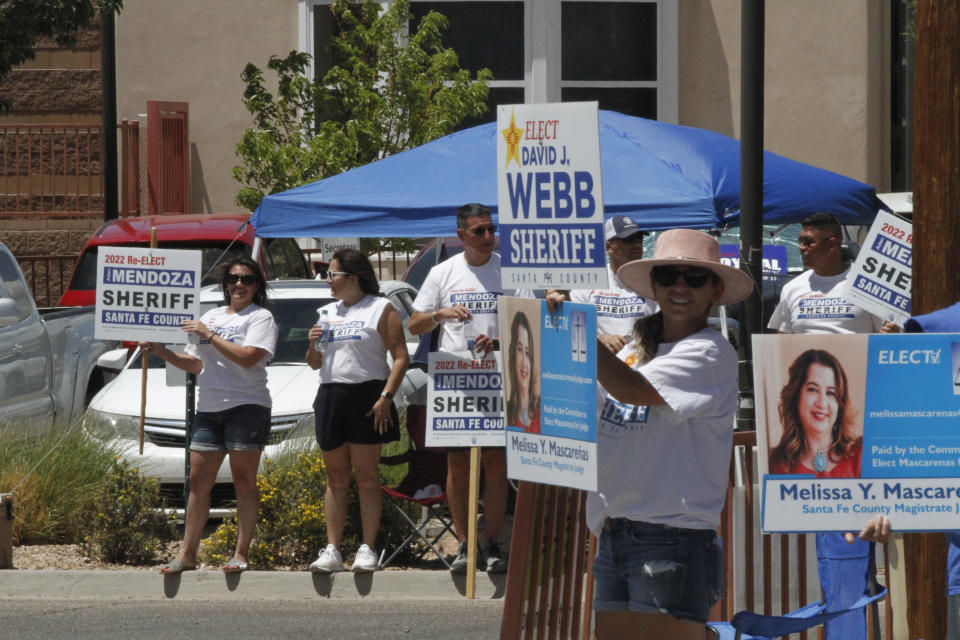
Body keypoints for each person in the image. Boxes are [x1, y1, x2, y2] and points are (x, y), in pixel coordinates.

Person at [579, 228, 754, 639]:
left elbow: (631, 389)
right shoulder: (637, 348)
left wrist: (576, 331)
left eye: (693, 278)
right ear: (654, 285)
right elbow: (596, 400)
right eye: (669, 276)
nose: (680, 286)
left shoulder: (710, 350)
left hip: (670, 533)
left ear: (714, 289)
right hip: (615, 526)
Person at [767, 211, 897, 639]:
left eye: (807, 241)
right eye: (801, 240)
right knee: (832, 525)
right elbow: (777, 345)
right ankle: (846, 617)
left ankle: (852, 620)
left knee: (851, 521)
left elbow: (888, 336)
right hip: (810, 422)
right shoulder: (791, 288)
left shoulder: (864, 285)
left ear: (831, 243)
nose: (800, 247)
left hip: (859, 412)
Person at [408, 202, 531, 574]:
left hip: (498, 375)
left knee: (496, 461)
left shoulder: (508, 271)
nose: (489, 237)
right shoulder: (443, 272)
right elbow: (415, 325)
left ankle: (492, 543)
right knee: (458, 461)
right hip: (454, 380)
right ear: (461, 235)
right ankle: (464, 545)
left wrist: (495, 343)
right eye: (479, 231)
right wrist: (440, 314)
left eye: (491, 229)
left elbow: (526, 323)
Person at [149, 257, 278, 574]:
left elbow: (248, 358)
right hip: (209, 408)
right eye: (234, 278)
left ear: (256, 285)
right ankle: (187, 554)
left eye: (247, 279)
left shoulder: (261, 318)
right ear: (225, 284)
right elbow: (195, 364)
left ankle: (240, 554)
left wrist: (210, 336)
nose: (239, 284)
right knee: (197, 481)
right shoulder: (211, 316)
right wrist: (161, 351)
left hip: (247, 406)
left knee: (244, 481)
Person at [306, 248, 409, 574]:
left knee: (366, 477)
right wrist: (311, 345)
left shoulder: (381, 308)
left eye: (332, 274)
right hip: (331, 395)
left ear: (352, 277)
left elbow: (401, 356)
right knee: (336, 478)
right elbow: (315, 364)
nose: (327, 281)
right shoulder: (326, 312)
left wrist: (386, 397)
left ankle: (367, 548)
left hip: (368, 395)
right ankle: (332, 549)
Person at [547, 215, 658, 354]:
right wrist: (600, 339)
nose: (637, 245)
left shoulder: (655, 281)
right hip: (600, 369)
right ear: (608, 247)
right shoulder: (590, 280)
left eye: (639, 238)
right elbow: (573, 323)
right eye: (629, 240)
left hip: (641, 367)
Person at [769, 349, 862, 477]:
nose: (822, 403)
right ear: (796, 395)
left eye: (831, 393)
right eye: (813, 389)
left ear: (840, 404)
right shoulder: (776, 462)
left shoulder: (861, 453)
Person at [505, 311, 539, 434]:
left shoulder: (543, 409)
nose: (524, 362)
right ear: (513, 354)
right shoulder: (506, 412)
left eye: (527, 352)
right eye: (519, 350)